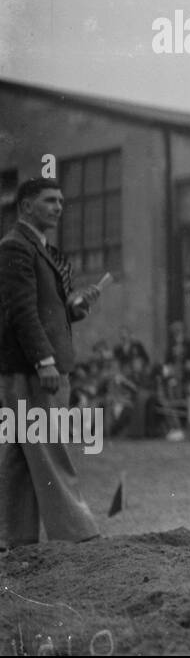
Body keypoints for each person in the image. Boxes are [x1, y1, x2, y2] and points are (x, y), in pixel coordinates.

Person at [0, 178, 104, 548]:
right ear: (26, 207)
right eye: (49, 201)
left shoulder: (34, 248)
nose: (59, 207)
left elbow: (42, 310)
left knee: (21, 452)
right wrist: (44, 360)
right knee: (48, 445)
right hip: (34, 369)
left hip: (29, 367)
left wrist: (73, 308)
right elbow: (21, 312)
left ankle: (13, 536)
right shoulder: (16, 247)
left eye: (61, 200)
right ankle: (77, 534)